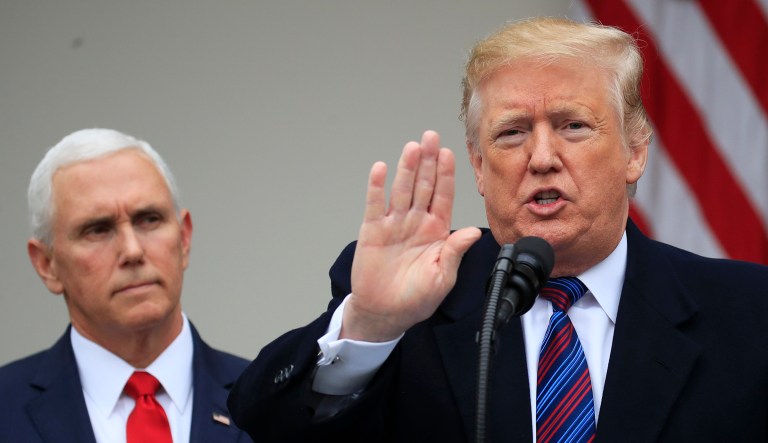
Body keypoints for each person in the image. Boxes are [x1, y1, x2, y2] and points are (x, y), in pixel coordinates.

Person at [227, 17, 768, 442]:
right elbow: (263, 423)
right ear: (479, 167)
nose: (542, 157)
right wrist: (371, 326)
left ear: (636, 151)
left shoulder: (749, 312)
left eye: (572, 125)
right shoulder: (415, 298)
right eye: (512, 133)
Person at [0, 128, 254, 443]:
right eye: (98, 229)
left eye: (149, 219)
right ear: (46, 264)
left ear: (184, 238)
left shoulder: (273, 404)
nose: (132, 251)